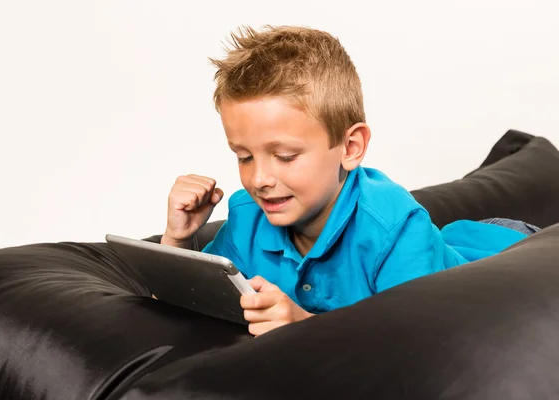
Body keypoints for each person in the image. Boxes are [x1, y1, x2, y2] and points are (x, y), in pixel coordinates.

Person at [159, 25, 538, 336]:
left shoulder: (392, 227)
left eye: (285, 156)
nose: (259, 178)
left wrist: (304, 326)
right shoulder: (246, 217)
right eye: (244, 156)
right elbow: (191, 302)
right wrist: (179, 237)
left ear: (351, 147)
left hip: (508, 254)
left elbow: (419, 346)